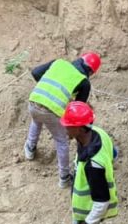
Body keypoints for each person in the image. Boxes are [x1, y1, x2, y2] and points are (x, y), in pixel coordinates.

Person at [59, 101, 118, 224]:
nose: (64, 127)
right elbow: (114, 152)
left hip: (90, 210)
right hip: (84, 208)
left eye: (67, 124)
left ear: (78, 127)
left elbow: (102, 201)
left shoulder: (95, 165)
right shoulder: (95, 133)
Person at [23, 51, 101, 188]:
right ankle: (64, 178)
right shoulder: (84, 82)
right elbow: (78, 109)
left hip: (34, 100)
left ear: (79, 59)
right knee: (61, 140)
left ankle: (29, 149)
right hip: (51, 111)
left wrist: (47, 89)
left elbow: (35, 72)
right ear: (92, 72)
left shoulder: (59, 63)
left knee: (36, 120)